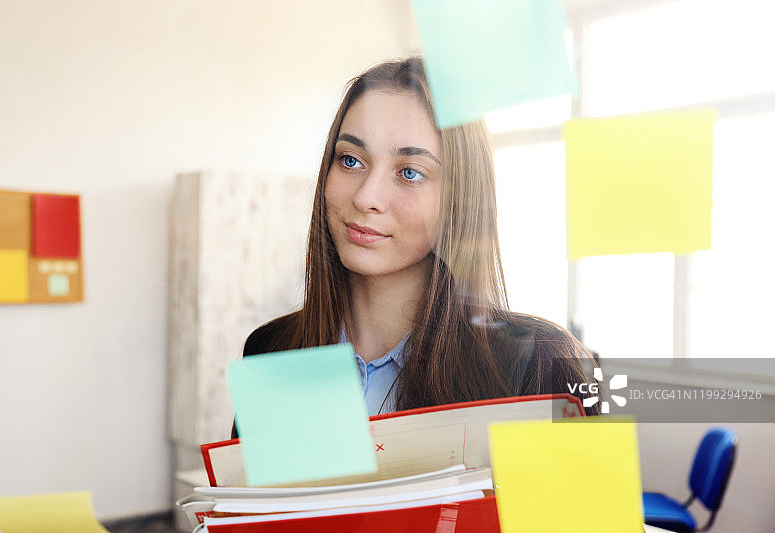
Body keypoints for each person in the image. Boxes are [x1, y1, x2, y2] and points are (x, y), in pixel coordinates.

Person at [232, 57, 595, 437]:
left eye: (410, 172)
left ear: (460, 199)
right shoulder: (270, 350)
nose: (366, 197)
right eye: (351, 160)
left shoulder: (546, 363)